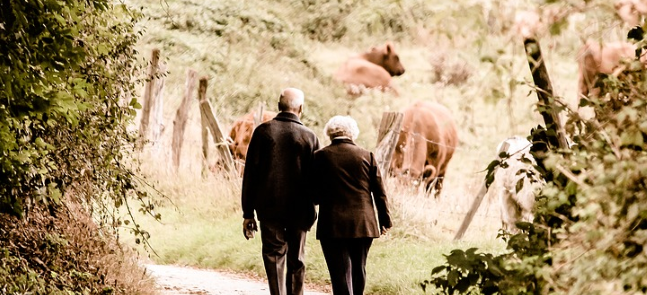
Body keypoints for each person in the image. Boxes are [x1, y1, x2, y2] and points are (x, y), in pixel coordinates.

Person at [240, 87, 321, 295]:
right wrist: (314, 206)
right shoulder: (309, 137)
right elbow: (316, 179)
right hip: (301, 210)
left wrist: (248, 212)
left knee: (274, 256)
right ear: (301, 108)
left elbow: (250, 175)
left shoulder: (263, 132)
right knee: (297, 259)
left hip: (269, 209)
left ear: (278, 106)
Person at [312, 115, 393, 295]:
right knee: (359, 267)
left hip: (332, 223)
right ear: (352, 133)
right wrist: (385, 220)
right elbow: (379, 192)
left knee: (339, 272)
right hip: (363, 223)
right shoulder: (367, 156)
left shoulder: (319, 157)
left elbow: (314, 193)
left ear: (329, 133)